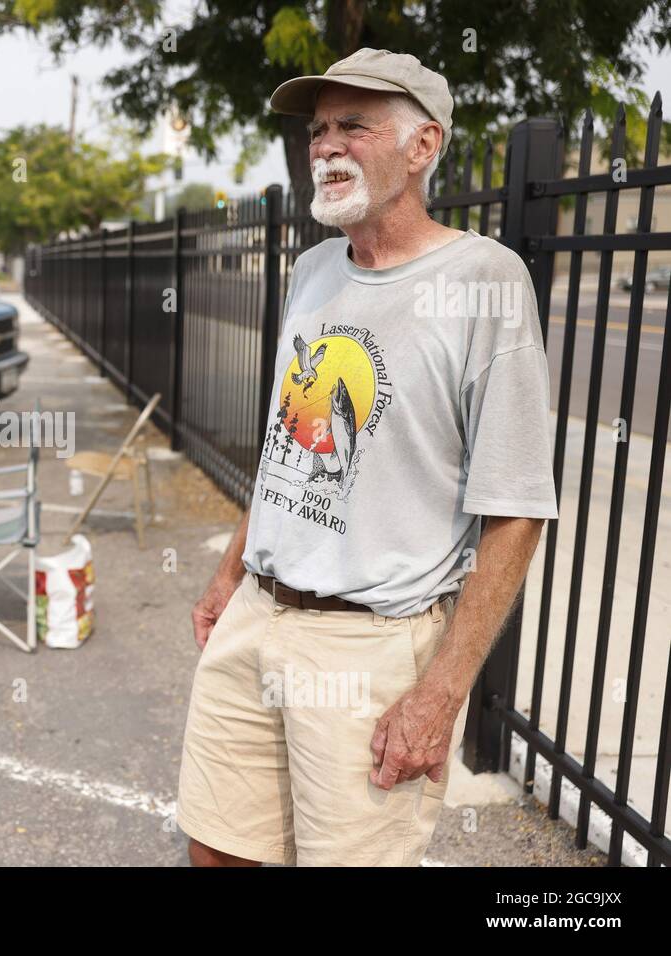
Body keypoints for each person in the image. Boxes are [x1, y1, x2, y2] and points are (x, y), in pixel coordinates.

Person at [176, 48, 558, 867]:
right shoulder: (315, 269)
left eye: (354, 124)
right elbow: (288, 439)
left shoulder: (485, 281)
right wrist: (229, 573)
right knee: (216, 852)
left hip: (370, 650)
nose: (325, 145)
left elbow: (518, 507)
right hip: (256, 619)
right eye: (318, 129)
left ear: (423, 146)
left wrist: (442, 689)